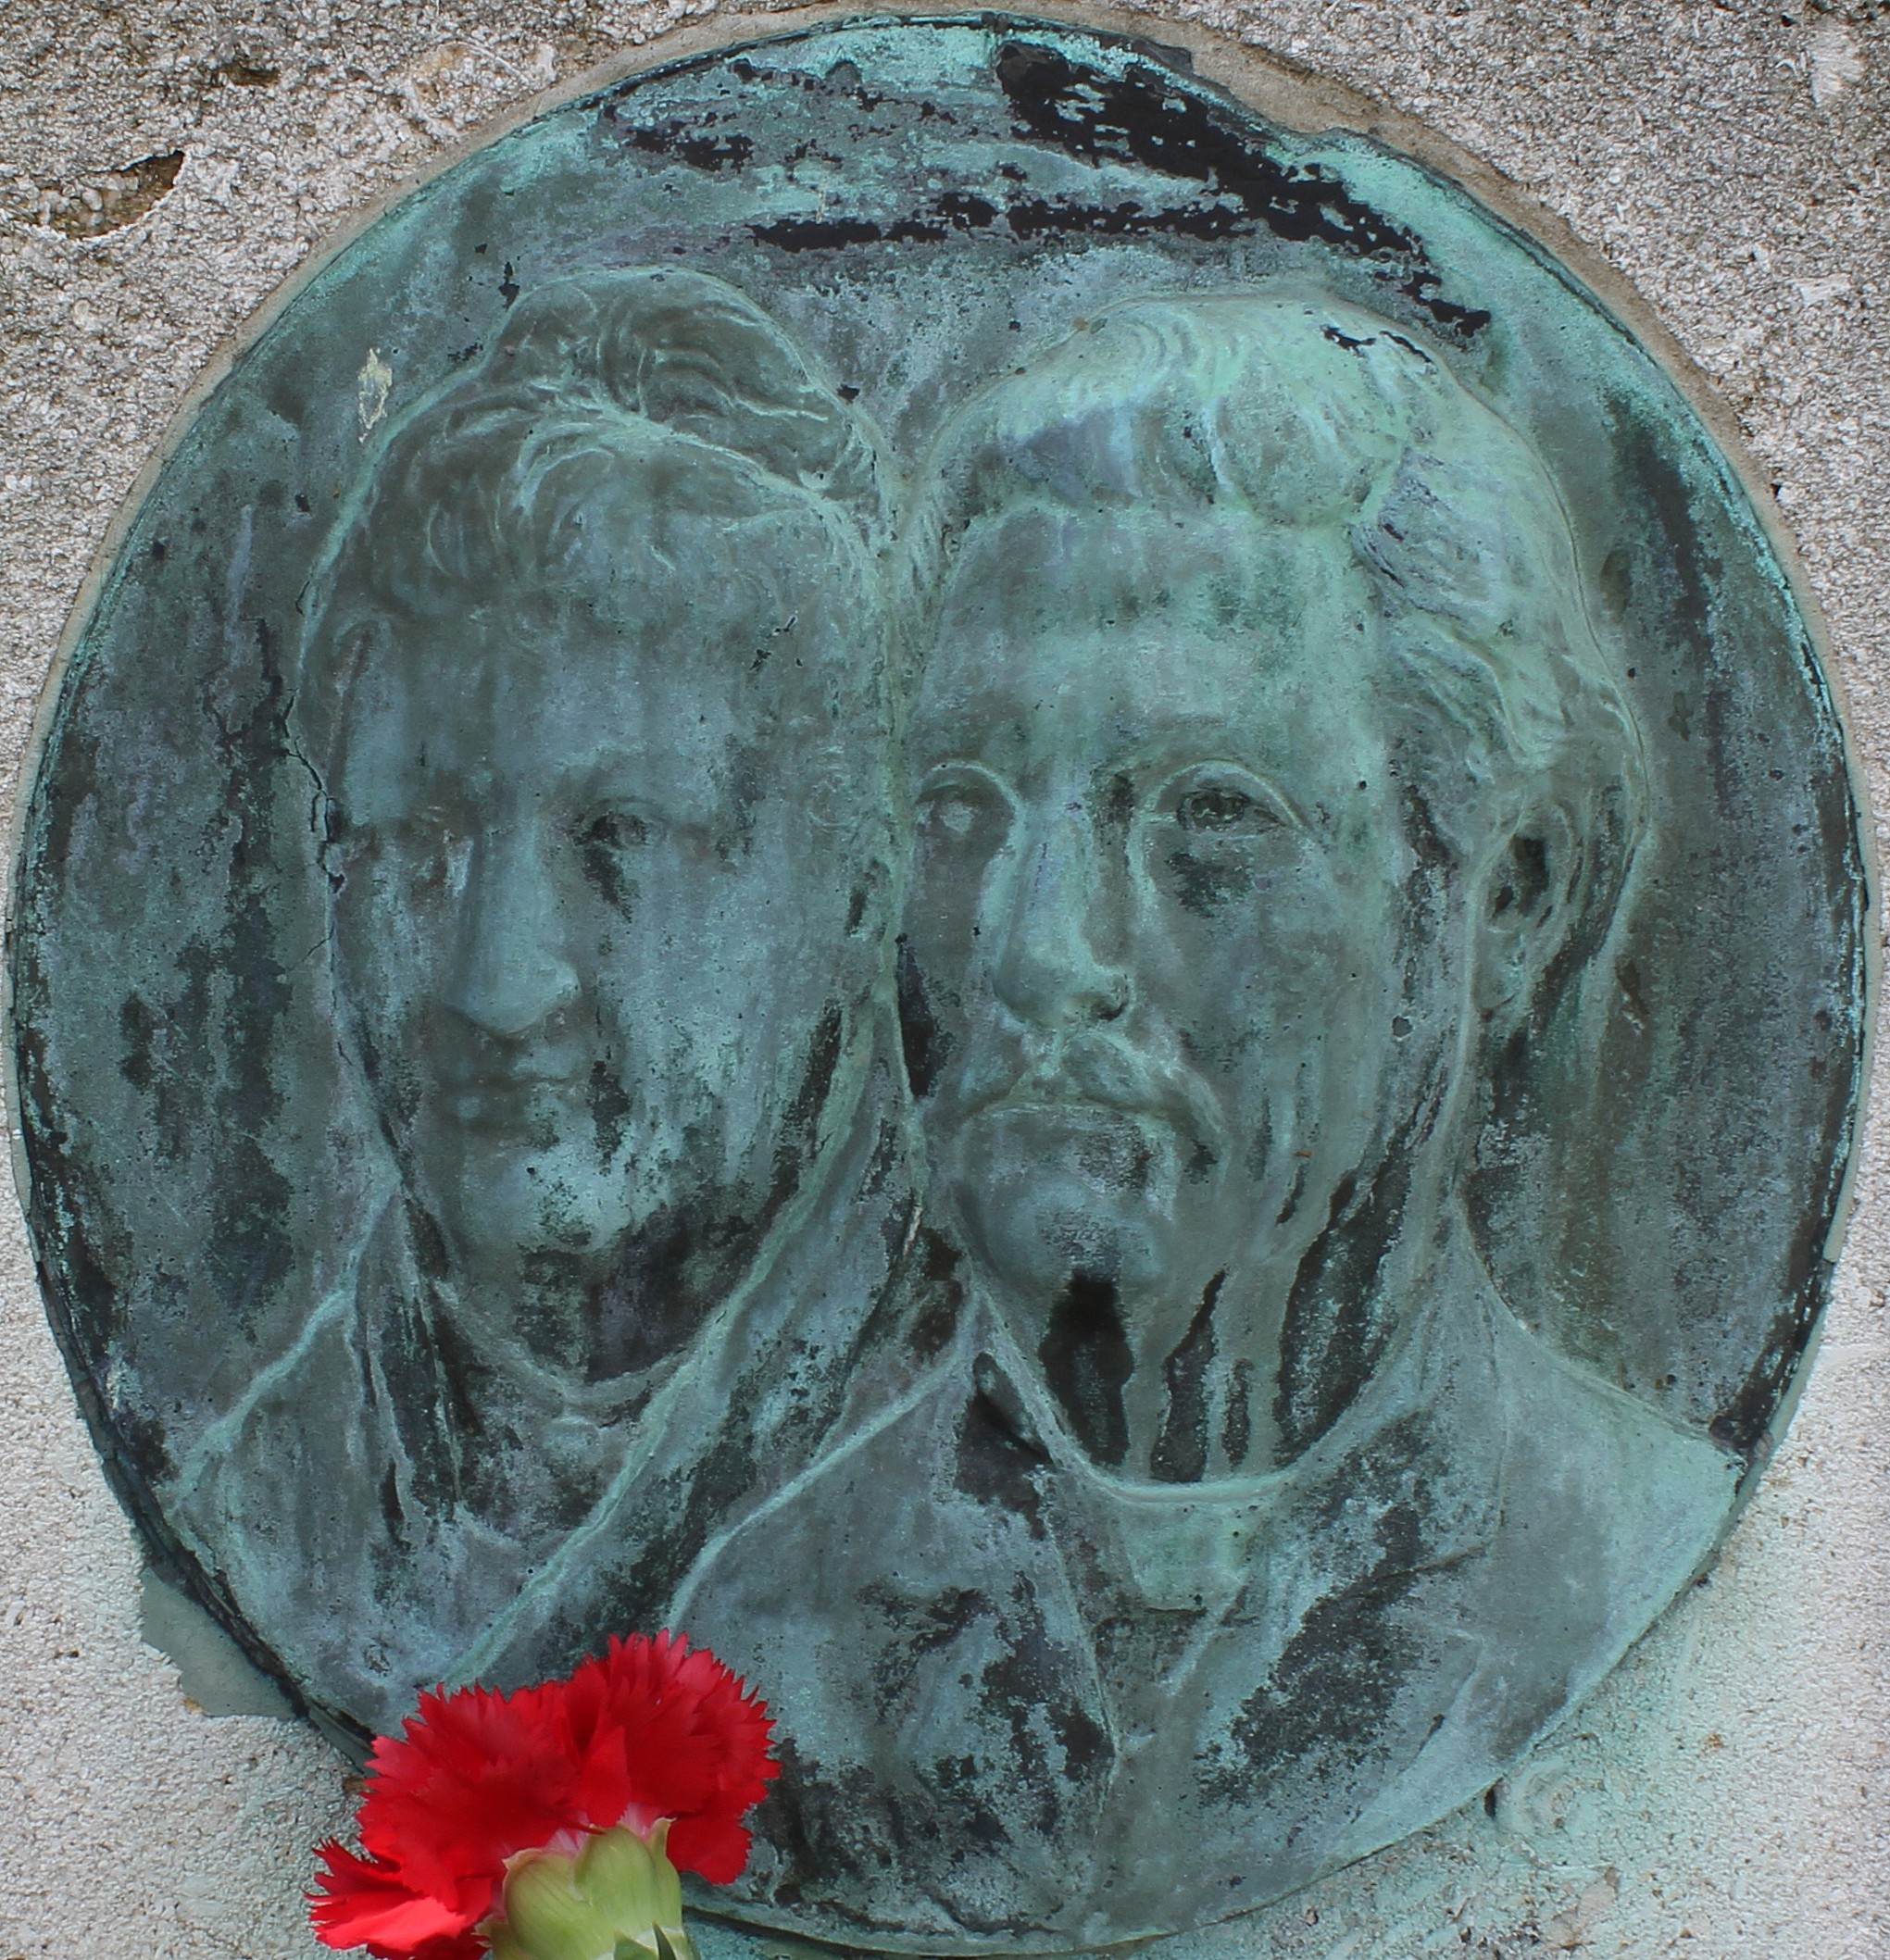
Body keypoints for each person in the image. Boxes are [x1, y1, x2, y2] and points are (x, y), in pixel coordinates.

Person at [670, 289, 1741, 1947]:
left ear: (1506, 894)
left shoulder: (1605, 1542)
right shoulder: (764, 1629)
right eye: (962, 810)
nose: (1040, 954)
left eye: (1208, 816)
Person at [171, 269, 910, 1742]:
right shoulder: (263, 1507)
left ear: (855, 884)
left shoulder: (1020, 1489)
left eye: (620, 836)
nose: (498, 987)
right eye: (423, 840)